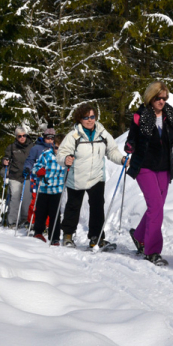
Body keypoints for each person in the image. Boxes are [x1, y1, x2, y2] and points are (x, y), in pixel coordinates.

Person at [124, 82, 173, 266]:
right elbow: (132, 138)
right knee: (155, 207)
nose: (162, 101)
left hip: (164, 167)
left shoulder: (170, 115)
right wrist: (130, 146)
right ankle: (152, 251)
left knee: (156, 208)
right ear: (151, 97)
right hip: (144, 166)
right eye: (158, 98)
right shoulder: (141, 116)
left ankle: (139, 236)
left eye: (164, 98)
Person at [56, 104, 127, 250]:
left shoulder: (102, 133)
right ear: (80, 119)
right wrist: (66, 159)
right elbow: (61, 154)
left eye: (92, 117)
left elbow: (112, 150)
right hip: (77, 177)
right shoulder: (73, 136)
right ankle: (68, 235)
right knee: (73, 206)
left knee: (97, 207)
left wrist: (121, 159)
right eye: (86, 117)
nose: (89, 120)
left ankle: (97, 237)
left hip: (96, 176)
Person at [32, 134, 66, 245]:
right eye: (56, 148)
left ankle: (55, 237)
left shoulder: (67, 158)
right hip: (44, 189)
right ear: (53, 146)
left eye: (60, 148)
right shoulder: (46, 155)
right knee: (41, 212)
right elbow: (36, 166)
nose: (58, 150)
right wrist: (38, 170)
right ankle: (38, 232)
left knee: (55, 214)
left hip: (57, 190)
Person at [2, 126, 34, 229]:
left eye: (24, 135)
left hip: (27, 176)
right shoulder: (12, 147)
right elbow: (6, 157)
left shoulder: (32, 146)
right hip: (15, 176)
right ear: (16, 137)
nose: (22, 138)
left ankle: (25, 219)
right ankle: (12, 221)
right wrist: (5, 161)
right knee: (14, 198)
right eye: (19, 136)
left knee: (26, 199)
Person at [23, 127, 57, 225]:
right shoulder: (36, 148)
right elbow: (30, 160)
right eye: (48, 138)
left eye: (52, 138)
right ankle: (32, 221)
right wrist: (27, 168)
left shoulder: (56, 148)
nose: (50, 140)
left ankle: (46, 223)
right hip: (37, 179)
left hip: (50, 180)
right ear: (44, 137)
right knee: (35, 201)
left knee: (49, 202)